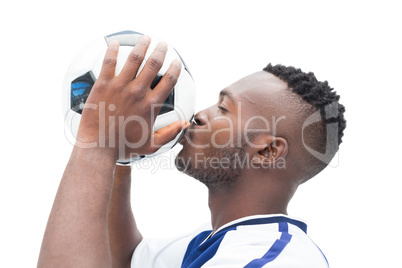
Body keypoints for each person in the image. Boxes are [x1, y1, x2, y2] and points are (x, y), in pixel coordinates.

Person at [38, 35, 346, 268]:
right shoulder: (216, 241)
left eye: (224, 109)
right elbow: (125, 258)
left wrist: (97, 142)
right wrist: (120, 155)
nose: (200, 114)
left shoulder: (269, 260)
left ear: (267, 151)